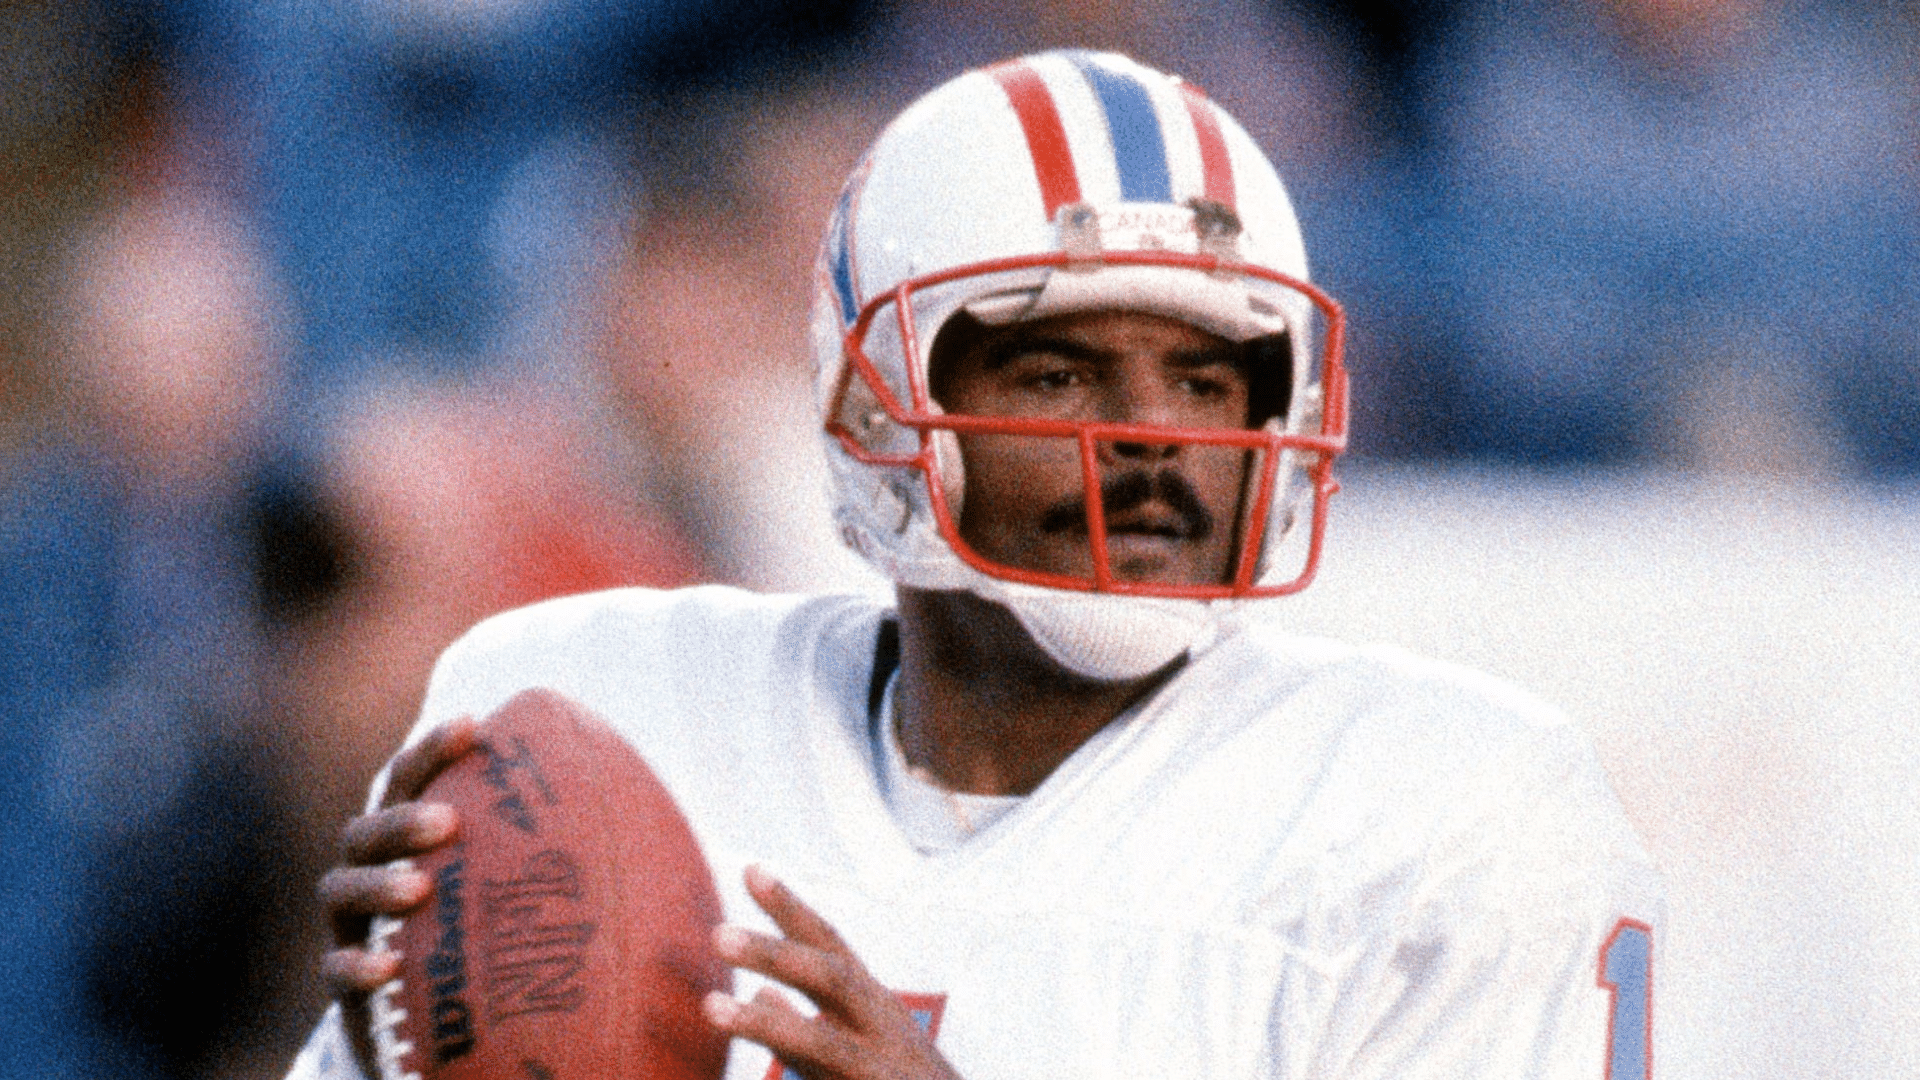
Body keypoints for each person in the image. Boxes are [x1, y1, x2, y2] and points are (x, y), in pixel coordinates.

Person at [286, 50, 1663, 1080]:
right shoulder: (597, 713)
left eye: (1203, 378)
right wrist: (410, 1041)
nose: (1147, 442)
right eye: (1059, 370)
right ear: (879, 407)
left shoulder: (1452, 824)